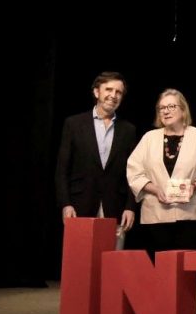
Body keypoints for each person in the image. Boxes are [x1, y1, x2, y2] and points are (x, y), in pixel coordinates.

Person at [126, 89, 196, 255]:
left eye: (171, 106)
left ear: (183, 110)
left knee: (187, 265)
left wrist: (194, 185)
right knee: (161, 265)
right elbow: (134, 171)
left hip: (191, 214)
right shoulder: (149, 138)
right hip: (156, 214)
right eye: (162, 108)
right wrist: (154, 188)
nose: (166, 111)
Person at [55, 72, 137, 233]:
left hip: (116, 208)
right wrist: (65, 203)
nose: (113, 95)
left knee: (110, 250)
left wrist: (130, 207)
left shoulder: (129, 130)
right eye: (109, 89)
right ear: (96, 92)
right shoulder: (74, 124)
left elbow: (133, 173)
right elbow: (62, 169)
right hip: (78, 206)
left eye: (118, 92)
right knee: (80, 249)